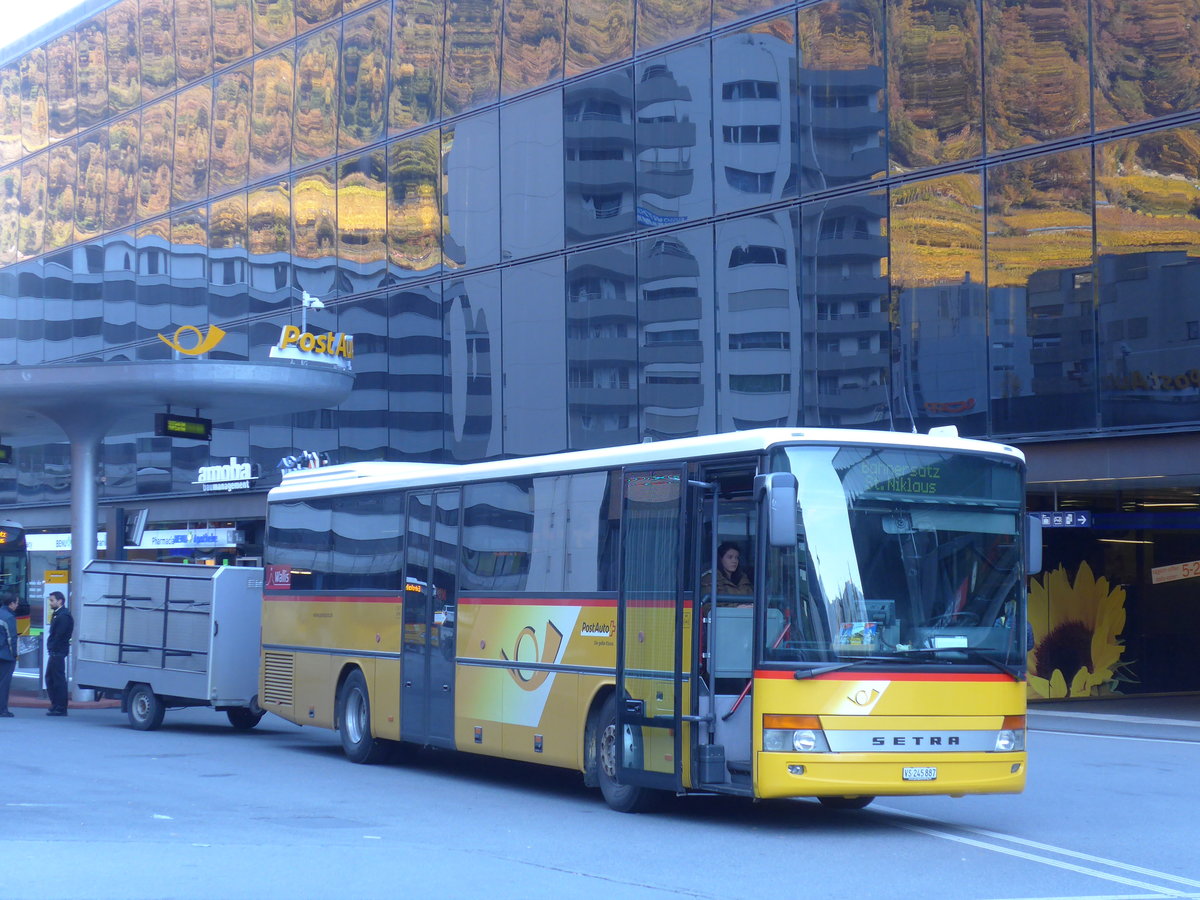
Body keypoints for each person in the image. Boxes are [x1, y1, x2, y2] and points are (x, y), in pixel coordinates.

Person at [45, 591, 73, 716]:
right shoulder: (59, 614)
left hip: (58, 652)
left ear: (60, 601)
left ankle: (60, 707)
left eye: (52, 600)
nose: (50, 603)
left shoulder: (63, 616)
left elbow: (59, 635)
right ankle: (56, 704)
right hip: (56, 651)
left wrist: (52, 647)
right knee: (51, 678)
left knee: (58, 679)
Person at [0, 592, 18, 717]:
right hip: (5, 655)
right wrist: (14, 655)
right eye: (16, 603)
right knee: (4, 683)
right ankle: (2, 709)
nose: (17, 605)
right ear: (11, 604)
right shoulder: (9, 617)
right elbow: (12, 639)